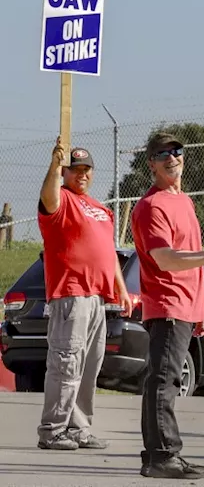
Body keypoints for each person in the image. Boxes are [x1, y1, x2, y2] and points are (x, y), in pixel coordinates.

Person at [131, 132, 204, 480]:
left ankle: (158, 454)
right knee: (163, 380)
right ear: (152, 163)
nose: (171, 158)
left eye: (176, 152)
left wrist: (201, 307)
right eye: (163, 154)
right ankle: (163, 456)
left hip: (186, 307)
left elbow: (191, 262)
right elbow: (165, 259)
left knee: (166, 379)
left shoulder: (185, 202)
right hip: (166, 304)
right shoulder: (151, 207)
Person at [36, 138, 129, 451]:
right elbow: (47, 196)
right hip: (71, 295)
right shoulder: (60, 199)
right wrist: (53, 165)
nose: (82, 175)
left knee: (89, 367)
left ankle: (78, 429)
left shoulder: (100, 208)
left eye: (87, 169)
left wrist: (121, 287)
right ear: (66, 172)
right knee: (66, 364)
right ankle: (52, 431)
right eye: (75, 170)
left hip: (97, 298)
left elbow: (108, 253)